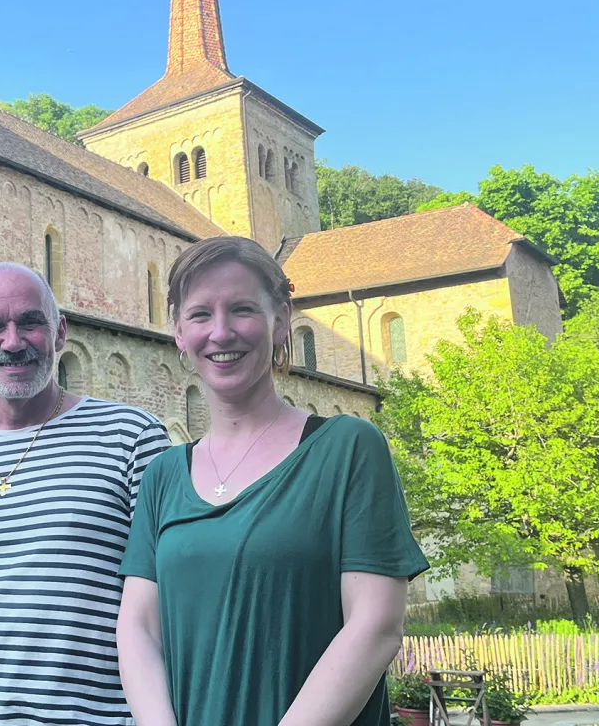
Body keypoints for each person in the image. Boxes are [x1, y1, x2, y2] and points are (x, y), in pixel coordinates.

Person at [116, 235, 429, 726]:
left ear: (281, 319)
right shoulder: (163, 476)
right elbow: (138, 627)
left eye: (242, 309)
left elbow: (375, 626)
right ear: (178, 332)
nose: (221, 332)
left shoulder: (347, 448)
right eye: (200, 315)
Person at [0, 262, 172, 726]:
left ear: (60, 333)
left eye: (30, 322)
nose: (13, 342)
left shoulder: (132, 438)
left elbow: (168, 599)